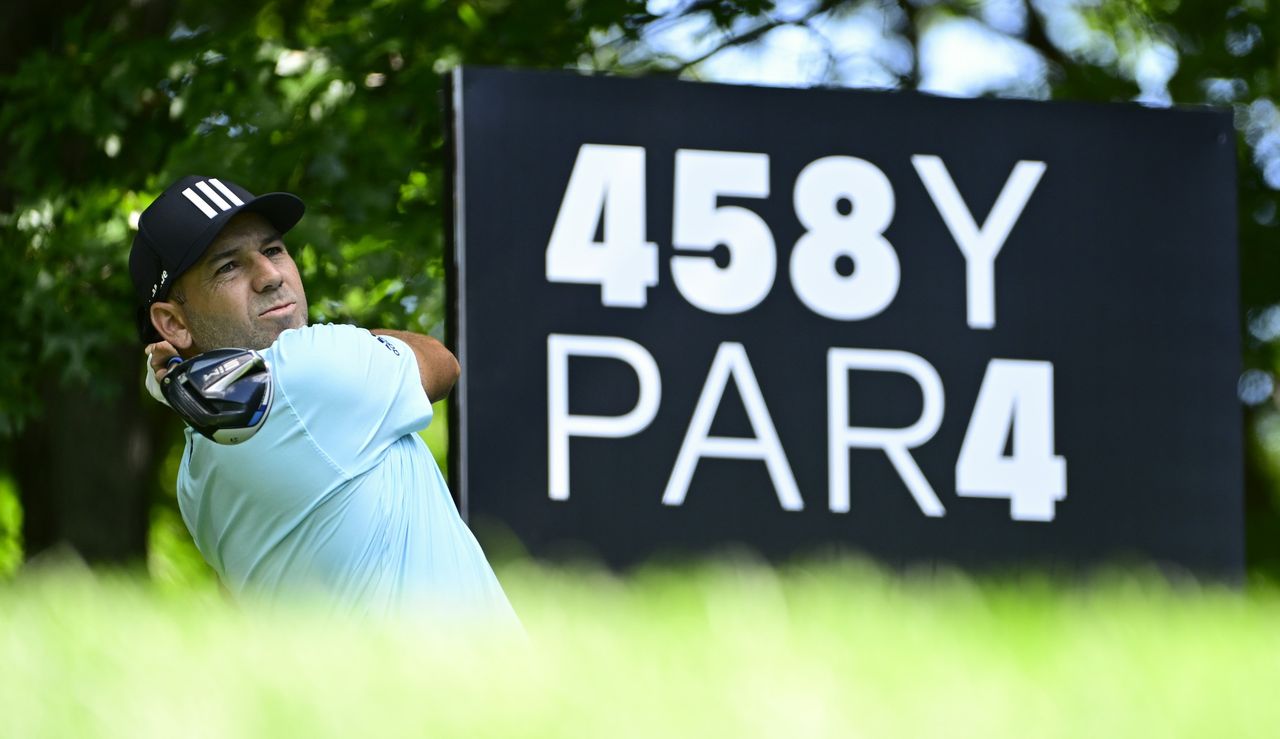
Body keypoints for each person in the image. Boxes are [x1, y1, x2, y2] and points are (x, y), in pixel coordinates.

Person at [129, 175, 516, 623]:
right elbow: (442, 364)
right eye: (228, 267)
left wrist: (171, 380)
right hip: (467, 687)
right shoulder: (314, 367)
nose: (271, 276)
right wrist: (356, 339)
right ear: (173, 324)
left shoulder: (194, 482)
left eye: (273, 250)